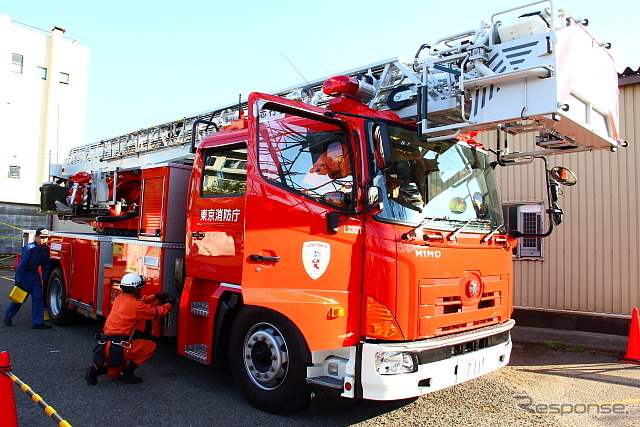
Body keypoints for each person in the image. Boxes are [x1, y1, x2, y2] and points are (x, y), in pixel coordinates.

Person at [85, 273, 175, 385]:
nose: (141, 290)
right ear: (135, 290)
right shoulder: (136, 306)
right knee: (150, 346)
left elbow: (138, 302)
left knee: (114, 373)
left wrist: (155, 296)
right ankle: (127, 374)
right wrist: (169, 303)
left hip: (105, 346)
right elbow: (158, 313)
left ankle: (97, 370)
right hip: (118, 347)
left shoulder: (120, 298)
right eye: (140, 288)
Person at [4, 227, 52, 329]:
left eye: (46, 237)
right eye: (42, 237)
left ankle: (37, 322)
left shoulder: (45, 249)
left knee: (38, 298)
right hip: (25, 274)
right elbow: (21, 266)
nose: (45, 240)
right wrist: (18, 280)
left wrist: (45, 279)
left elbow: (46, 265)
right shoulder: (29, 248)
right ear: (36, 237)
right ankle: (8, 315)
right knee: (20, 298)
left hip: (34, 275)